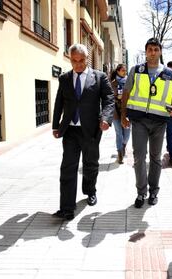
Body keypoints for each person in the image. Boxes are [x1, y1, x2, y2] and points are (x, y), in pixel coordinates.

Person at [52, 43, 114, 220]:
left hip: (91, 130)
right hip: (70, 130)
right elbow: (59, 103)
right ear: (70, 59)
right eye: (74, 61)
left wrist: (106, 118)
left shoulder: (99, 77)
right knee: (67, 168)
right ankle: (67, 208)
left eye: (81, 60)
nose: (78, 64)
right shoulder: (64, 78)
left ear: (87, 59)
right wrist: (56, 125)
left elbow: (109, 99)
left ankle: (90, 191)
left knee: (90, 164)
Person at [121, 38, 172, 208]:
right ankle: (141, 193)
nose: (153, 52)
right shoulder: (136, 70)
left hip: (160, 121)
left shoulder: (169, 73)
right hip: (139, 120)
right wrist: (124, 115)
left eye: (156, 49)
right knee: (139, 157)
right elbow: (126, 92)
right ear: (145, 52)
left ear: (160, 51)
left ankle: (154, 191)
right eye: (150, 49)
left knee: (155, 158)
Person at [110, 64, 131, 164]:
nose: (124, 72)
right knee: (119, 133)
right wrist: (116, 97)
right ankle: (120, 154)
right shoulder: (112, 83)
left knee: (126, 134)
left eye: (125, 70)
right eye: (122, 70)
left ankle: (123, 147)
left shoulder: (129, 82)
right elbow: (108, 97)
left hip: (127, 111)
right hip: (115, 112)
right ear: (118, 71)